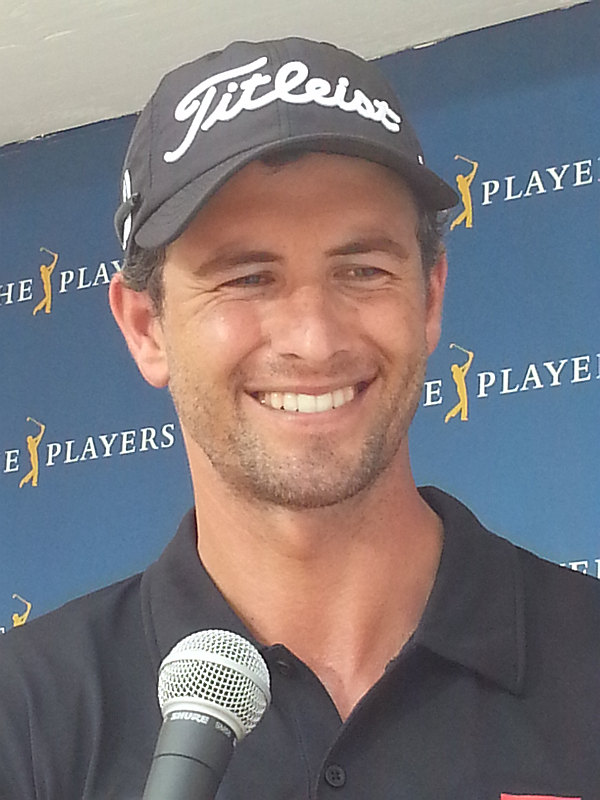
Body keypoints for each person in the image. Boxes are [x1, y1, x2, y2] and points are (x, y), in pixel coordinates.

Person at [1, 37, 599, 800]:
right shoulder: (24, 717)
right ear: (147, 328)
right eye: (247, 278)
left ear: (430, 299)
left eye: (363, 270)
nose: (314, 340)